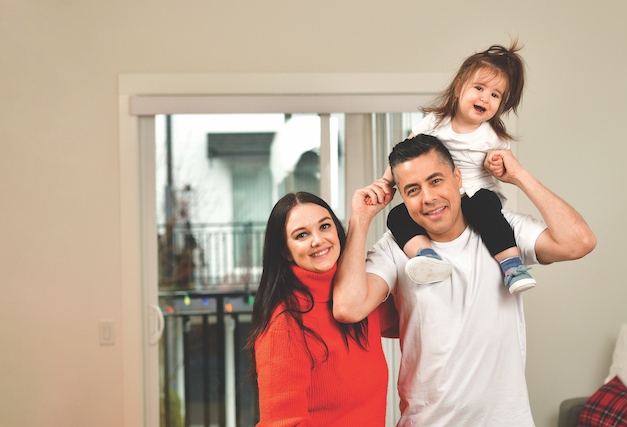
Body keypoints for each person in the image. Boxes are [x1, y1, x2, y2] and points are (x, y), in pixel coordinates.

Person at [333, 134, 596, 426]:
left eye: (435, 181)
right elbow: (348, 307)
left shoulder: (502, 230)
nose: (428, 198)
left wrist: (519, 176)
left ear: (457, 177)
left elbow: (579, 242)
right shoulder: (394, 248)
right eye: (412, 190)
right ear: (403, 198)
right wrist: (360, 217)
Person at [381, 41, 535, 294]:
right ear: (458, 88)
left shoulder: (493, 137)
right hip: (443, 195)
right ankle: (427, 257)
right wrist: (386, 182)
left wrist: (494, 164)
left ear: (501, 105)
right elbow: (403, 155)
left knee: (486, 212)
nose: (485, 97)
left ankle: (512, 266)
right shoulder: (435, 122)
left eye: (495, 95)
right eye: (479, 88)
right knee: (397, 215)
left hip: (477, 193)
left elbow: (503, 165)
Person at [246, 192, 389, 426]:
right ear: (284, 250)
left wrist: (362, 217)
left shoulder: (357, 297)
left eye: (325, 226)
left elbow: (416, 316)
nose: (318, 240)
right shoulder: (284, 326)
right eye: (301, 235)